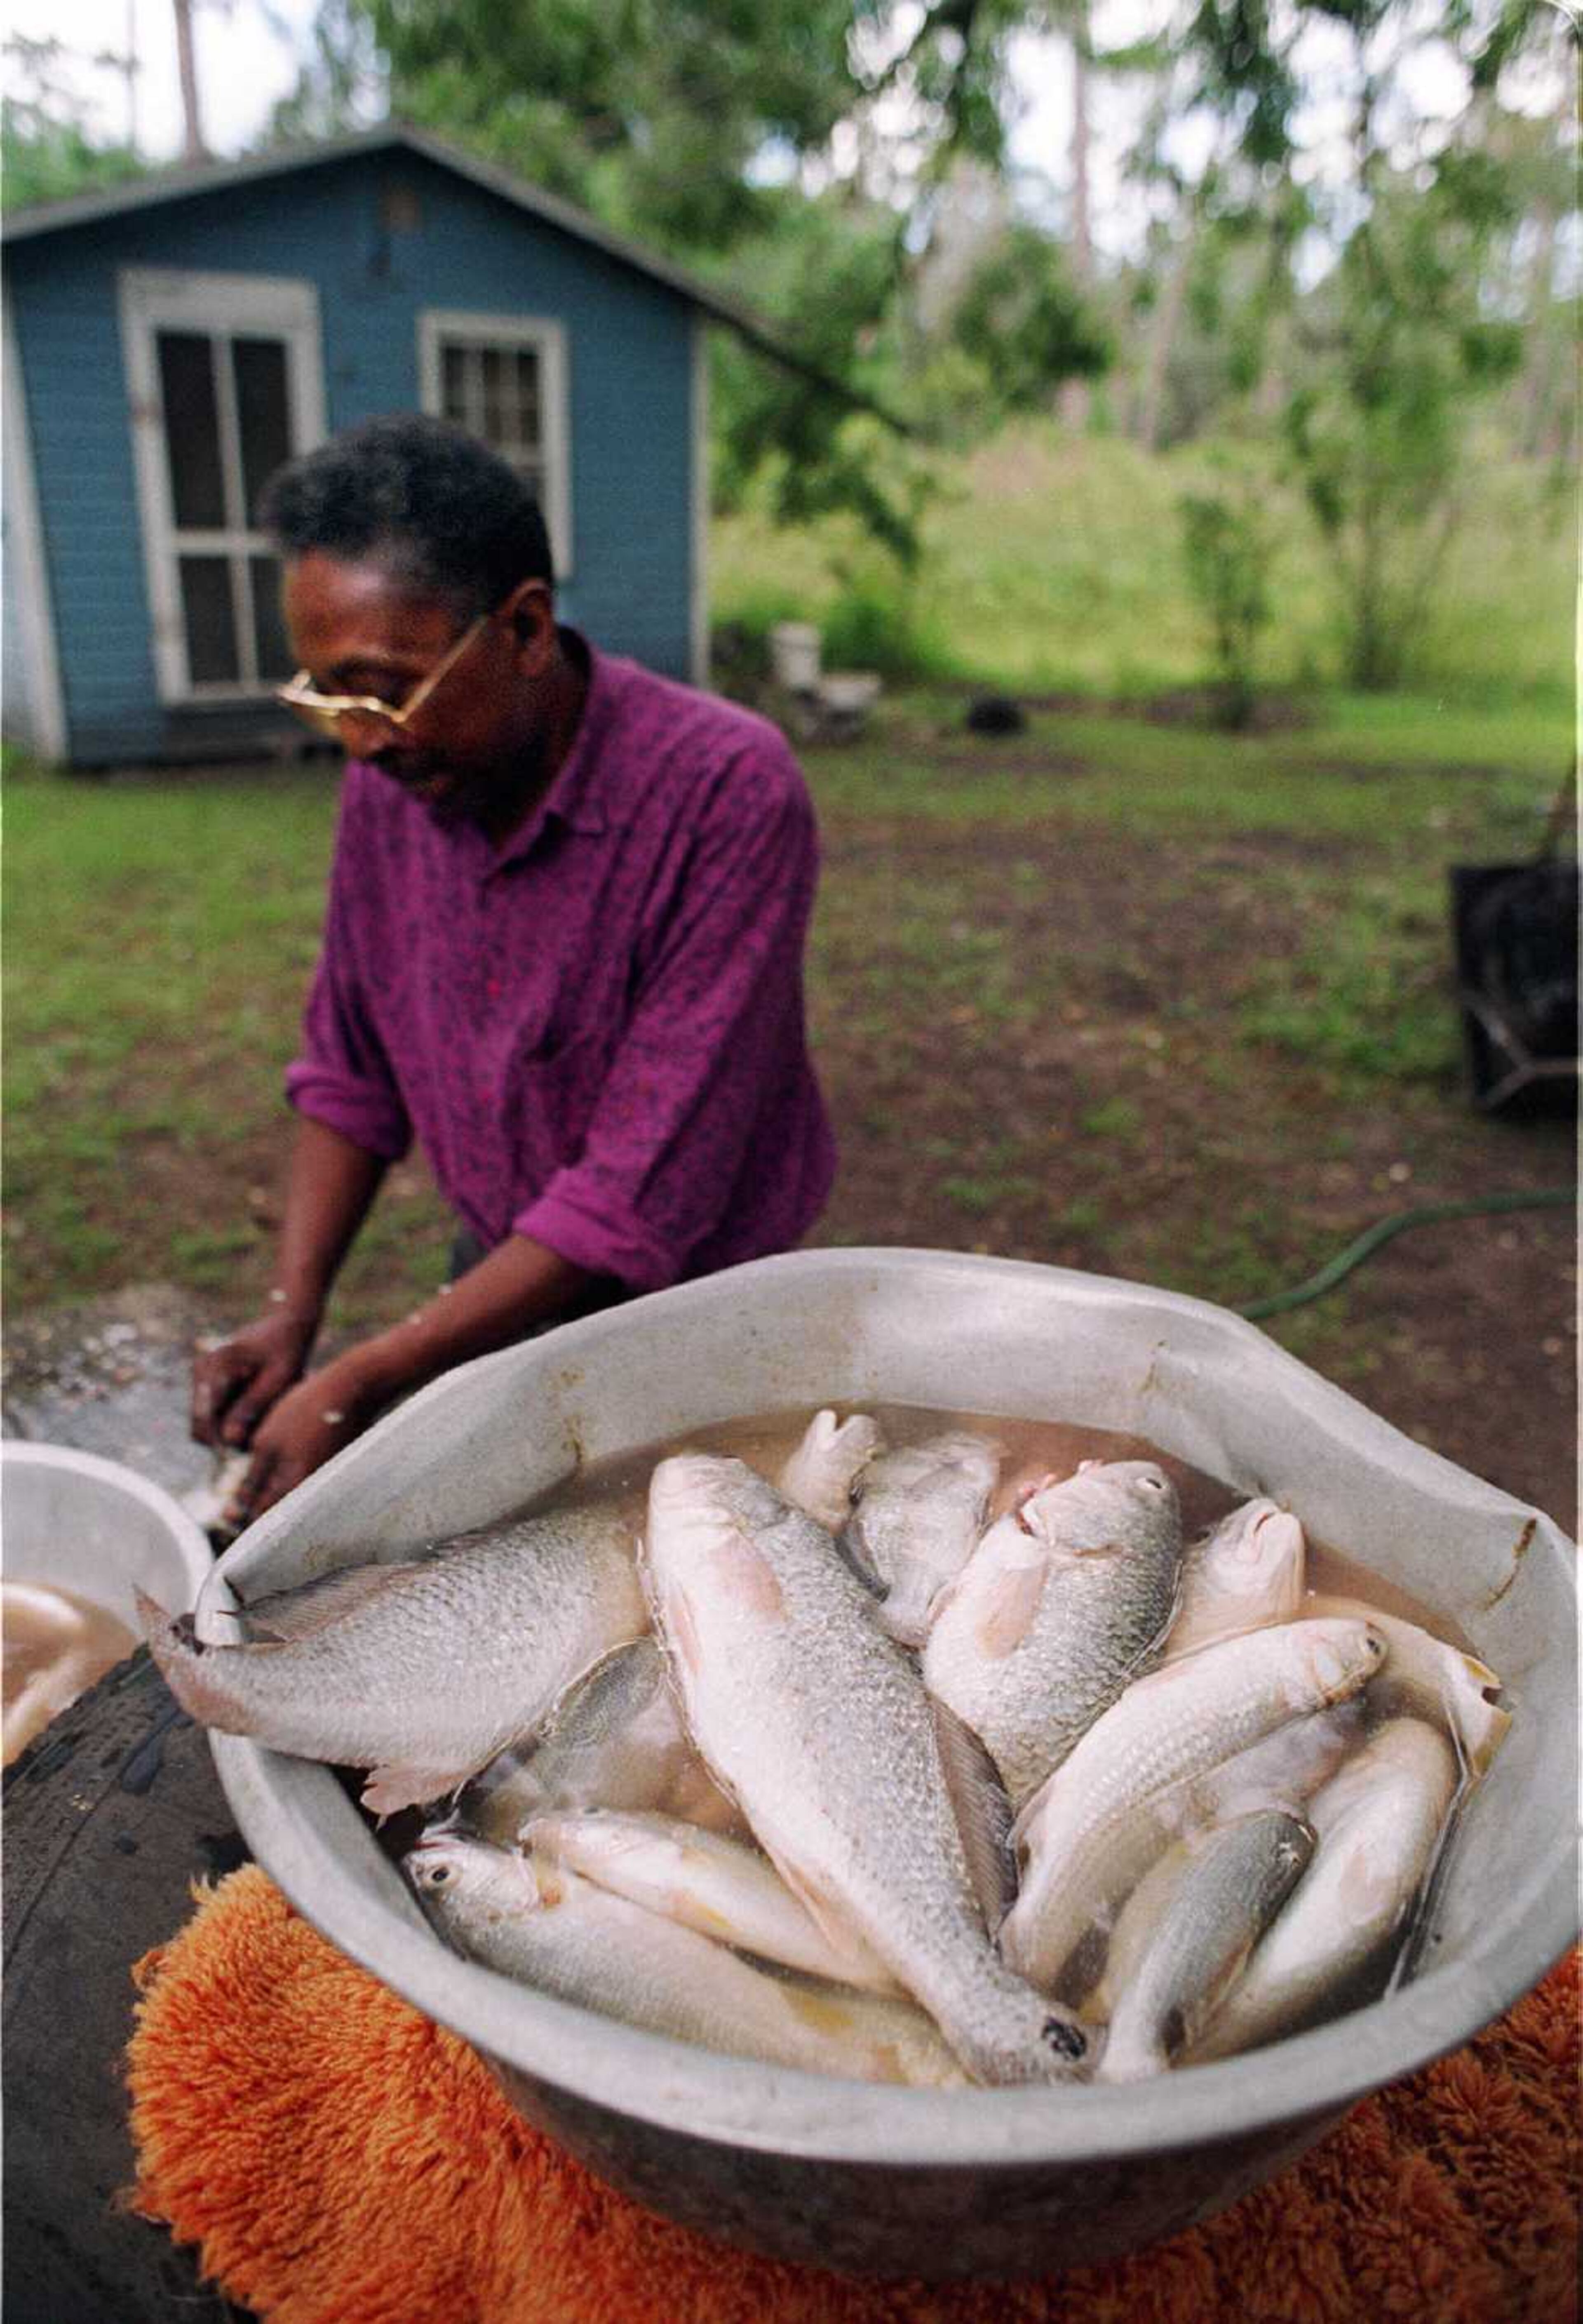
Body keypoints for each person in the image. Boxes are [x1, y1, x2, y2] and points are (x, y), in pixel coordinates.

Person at [191, 414, 835, 1523]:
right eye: (327, 698)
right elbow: (351, 1070)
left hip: (707, 1307)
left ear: (527, 628)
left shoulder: (726, 794)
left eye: (385, 691)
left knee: (684, 1578)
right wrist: (294, 1317)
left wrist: (365, 1374)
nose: (361, 741)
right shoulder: (396, 783)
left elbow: (634, 1196)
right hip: (502, 1253)